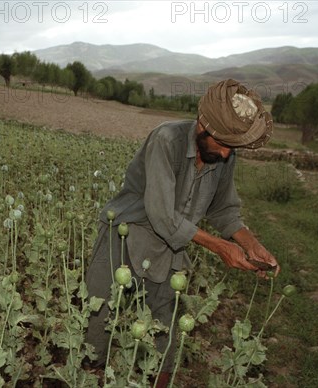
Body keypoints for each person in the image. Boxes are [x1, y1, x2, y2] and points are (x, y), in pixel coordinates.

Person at [85, 79, 280, 386]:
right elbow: (161, 215)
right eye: (224, 145)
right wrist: (220, 247)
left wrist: (250, 244)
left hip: (171, 249)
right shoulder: (166, 139)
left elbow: (224, 209)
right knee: (96, 327)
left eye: (233, 147)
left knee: (167, 336)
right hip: (124, 238)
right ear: (203, 125)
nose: (228, 155)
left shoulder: (224, 154)